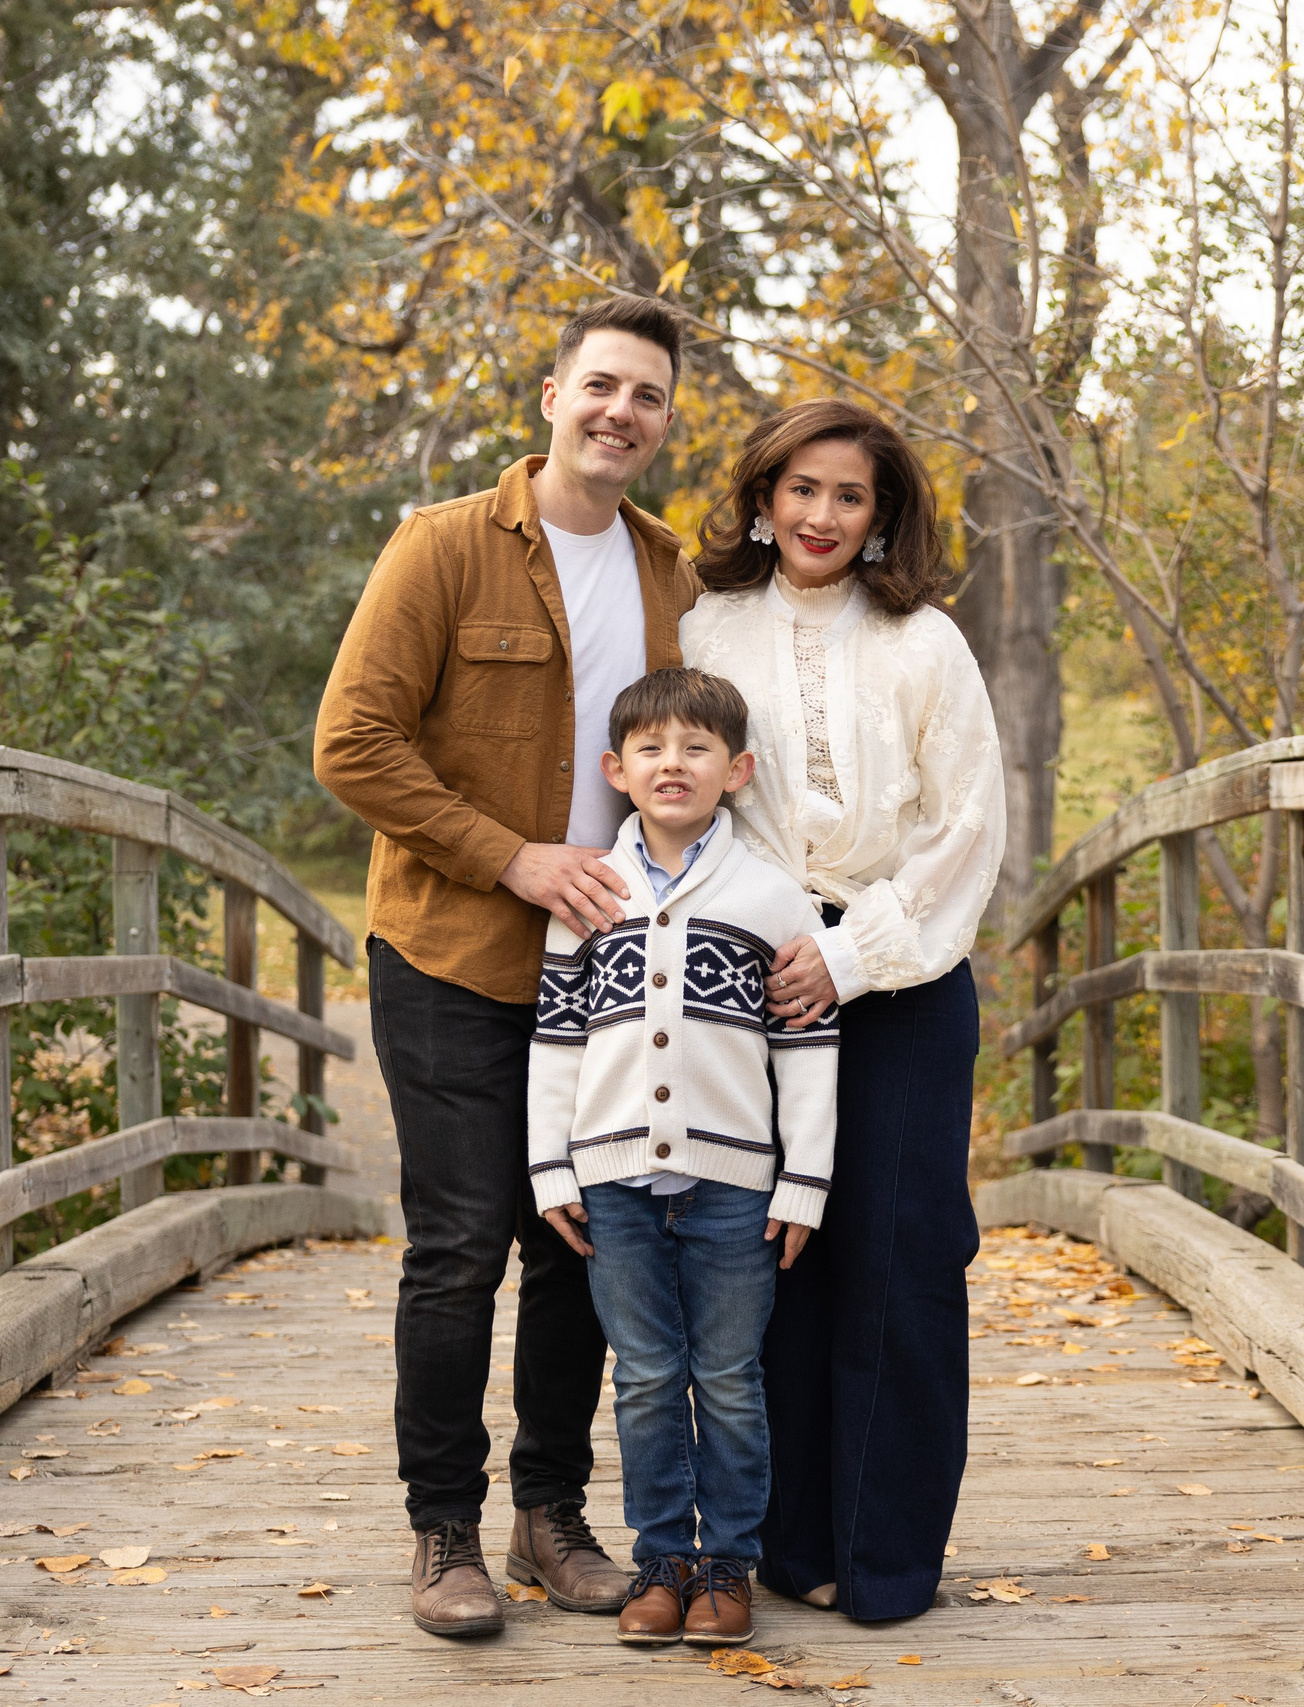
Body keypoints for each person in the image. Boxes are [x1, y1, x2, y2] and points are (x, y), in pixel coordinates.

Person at [312, 296, 700, 1639]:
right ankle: (442, 1529)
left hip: (607, 975)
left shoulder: (670, 575)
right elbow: (352, 745)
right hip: (453, 953)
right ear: (551, 394)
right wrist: (514, 857)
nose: (620, 413)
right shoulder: (442, 549)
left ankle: (549, 1513)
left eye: (647, 396)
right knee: (463, 1242)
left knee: (579, 1245)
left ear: (663, 420)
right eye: (601, 386)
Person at [677, 399, 1005, 1622]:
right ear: (762, 498)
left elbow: (966, 826)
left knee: (903, 1257)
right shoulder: (705, 625)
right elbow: (677, 779)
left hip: (902, 978)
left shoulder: (926, 641)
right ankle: (788, 1542)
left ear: (880, 517)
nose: (820, 515)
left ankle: (886, 1559)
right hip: (746, 980)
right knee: (776, 1259)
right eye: (800, 489)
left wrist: (852, 955)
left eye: (848, 496)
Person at [526, 667, 838, 1650]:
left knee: (732, 1377)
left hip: (737, 1187)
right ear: (616, 770)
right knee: (649, 1376)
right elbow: (557, 1039)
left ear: (736, 770)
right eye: (652, 749)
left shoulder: (772, 897)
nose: (675, 764)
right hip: (613, 1181)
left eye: (697, 748)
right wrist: (549, 1167)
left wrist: (803, 1181)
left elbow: (806, 1045)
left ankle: (727, 1570)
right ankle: (661, 1563)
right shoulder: (590, 893)